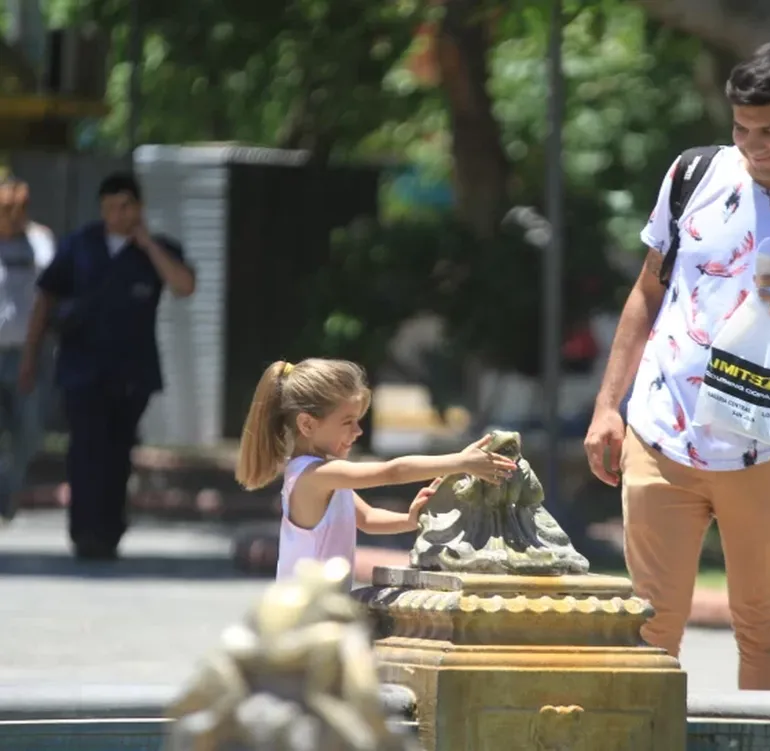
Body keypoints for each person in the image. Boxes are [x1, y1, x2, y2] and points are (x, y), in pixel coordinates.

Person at [583, 41, 770, 691]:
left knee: (761, 625)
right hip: (662, 432)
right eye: (741, 129)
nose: (752, 146)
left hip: (767, 448)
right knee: (648, 626)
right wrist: (609, 405)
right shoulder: (692, 174)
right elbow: (646, 291)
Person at [23, 171, 197, 560]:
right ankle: (85, 534)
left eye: (123, 207)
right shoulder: (80, 246)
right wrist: (30, 357)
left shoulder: (157, 249)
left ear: (137, 207)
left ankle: (109, 530)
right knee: (85, 452)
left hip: (131, 374)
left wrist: (148, 244)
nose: (115, 216)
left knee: (117, 454)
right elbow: (44, 298)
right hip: (81, 370)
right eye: (108, 208)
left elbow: (184, 286)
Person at [235, 358, 517, 582]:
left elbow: (367, 517)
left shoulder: (324, 476)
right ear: (307, 425)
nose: (358, 431)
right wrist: (460, 461)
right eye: (347, 422)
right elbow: (391, 472)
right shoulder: (315, 476)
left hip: (316, 613)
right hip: (302, 619)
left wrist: (408, 520)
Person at [0, 176, 56, 521]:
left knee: (29, 431)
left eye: (19, 209)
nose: (13, 216)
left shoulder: (40, 241)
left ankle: (9, 489)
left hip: (28, 351)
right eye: (6, 209)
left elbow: (47, 295)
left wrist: (33, 355)